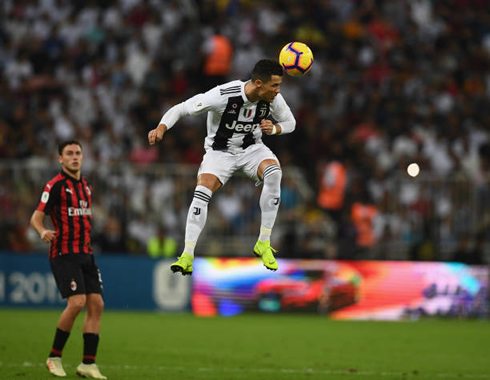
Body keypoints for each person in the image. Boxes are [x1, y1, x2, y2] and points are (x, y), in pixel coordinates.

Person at [148, 59, 296, 275]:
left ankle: (263, 242)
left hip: (251, 149)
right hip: (220, 152)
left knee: (274, 173)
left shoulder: (273, 98)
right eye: (274, 85)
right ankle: (187, 254)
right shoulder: (223, 95)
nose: (278, 90)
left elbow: (290, 122)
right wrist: (161, 127)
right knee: (201, 192)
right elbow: (182, 108)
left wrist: (274, 129)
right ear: (258, 84)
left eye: (279, 85)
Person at [30, 140, 107, 379]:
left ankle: (88, 364)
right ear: (60, 159)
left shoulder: (86, 186)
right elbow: (36, 216)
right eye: (69, 154)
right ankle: (54, 357)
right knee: (76, 303)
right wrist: (42, 231)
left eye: (78, 153)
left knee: (97, 305)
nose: (75, 157)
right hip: (64, 253)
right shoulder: (54, 186)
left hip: (86, 253)